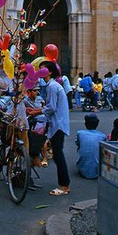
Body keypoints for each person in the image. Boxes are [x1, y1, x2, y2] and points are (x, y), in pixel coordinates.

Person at [27, 61, 70, 196]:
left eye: (42, 69)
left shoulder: (52, 86)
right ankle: (64, 184)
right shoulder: (53, 85)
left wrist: (35, 112)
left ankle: (64, 186)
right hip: (58, 123)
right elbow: (50, 106)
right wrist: (37, 110)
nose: (39, 72)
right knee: (57, 155)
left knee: (58, 155)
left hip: (58, 124)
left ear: (50, 72)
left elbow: (51, 107)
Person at [75, 113, 107, 179]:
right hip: (98, 170)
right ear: (97, 123)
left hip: (82, 169)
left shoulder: (80, 133)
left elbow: (77, 143)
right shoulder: (102, 136)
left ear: (85, 124)